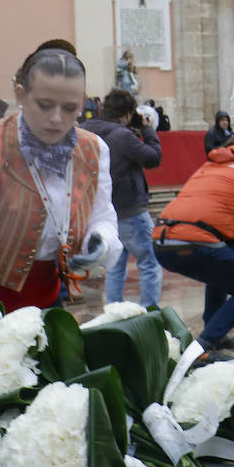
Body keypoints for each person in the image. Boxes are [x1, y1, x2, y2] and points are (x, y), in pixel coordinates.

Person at [0, 41, 121, 311]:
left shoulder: (94, 149)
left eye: (70, 108)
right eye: (44, 105)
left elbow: (102, 215)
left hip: (40, 295)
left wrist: (100, 239)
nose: (57, 118)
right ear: (20, 95)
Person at [151, 140, 234, 355]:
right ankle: (203, 347)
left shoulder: (207, 167)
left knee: (221, 270)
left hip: (161, 241)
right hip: (197, 242)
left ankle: (216, 336)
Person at [81, 88, 164, 306]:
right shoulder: (123, 136)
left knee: (115, 265)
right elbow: (153, 158)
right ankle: (151, 312)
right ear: (127, 114)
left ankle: (113, 313)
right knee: (149, 262)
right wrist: (148, 131)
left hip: (102, 212)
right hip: (131, 210)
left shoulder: (86, 131)